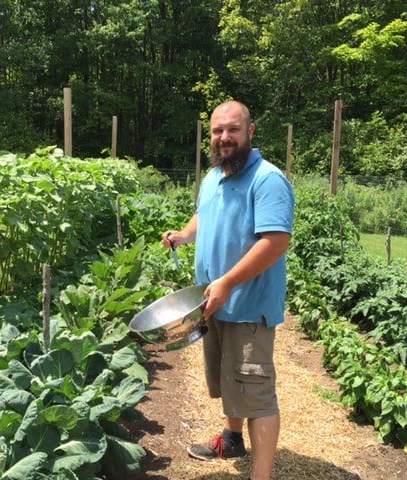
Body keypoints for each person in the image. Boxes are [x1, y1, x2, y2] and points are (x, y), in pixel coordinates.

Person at [161, 100, 294, 480]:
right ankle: (232, 439)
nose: (224, 137)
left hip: (248, 306)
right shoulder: (214, 176)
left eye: (233, 129)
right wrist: (183, 235)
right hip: (214, 301)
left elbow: (275, 242)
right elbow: (204, 215)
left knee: (256, 394)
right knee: (227, 378)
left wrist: (228, 282)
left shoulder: (266, 179)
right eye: (218, 130)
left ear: (250, 132)